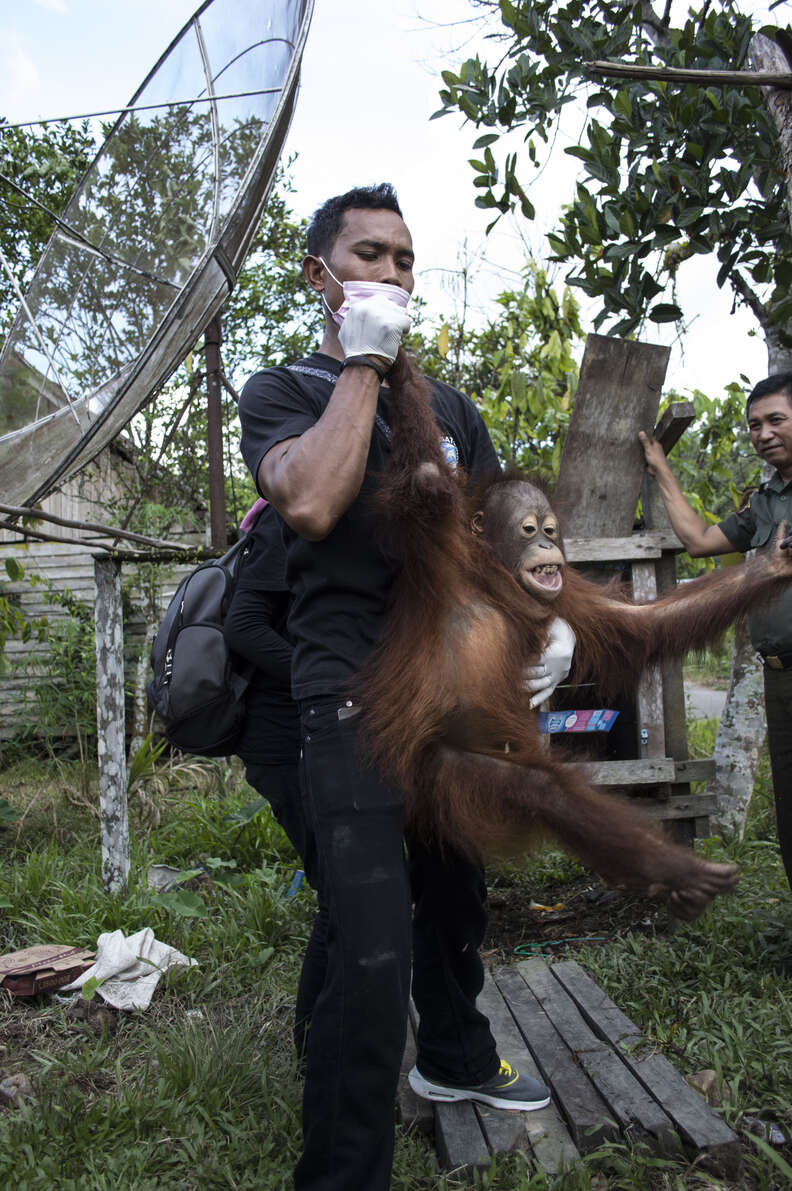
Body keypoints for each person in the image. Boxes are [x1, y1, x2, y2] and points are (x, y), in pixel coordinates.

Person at [237, 183, 573, 1191]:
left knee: (458, 899)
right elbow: (308, 501)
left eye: (405, 261)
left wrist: (538, 620)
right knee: (372, 953)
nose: (393, 275)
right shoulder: (284, 392)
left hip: (450, 702)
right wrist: (365, 362)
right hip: (345, 700)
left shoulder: (456, 412)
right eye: (370, 256)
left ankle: (454, 1062)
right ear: (320, 276)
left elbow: (498, 543)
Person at [639, 373, 792, 891]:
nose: (763, 433)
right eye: (754, 425)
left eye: (776, 420)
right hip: (778, 674)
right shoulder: (768, 500)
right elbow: (702, 541)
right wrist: (661, 468)